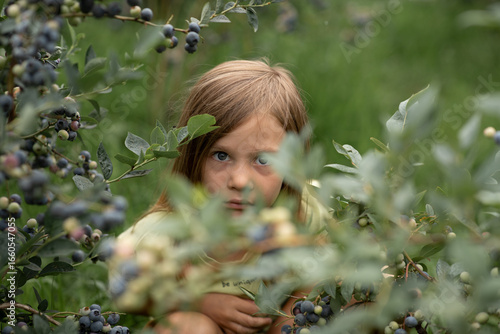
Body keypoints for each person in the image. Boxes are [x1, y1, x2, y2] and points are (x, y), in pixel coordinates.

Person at [110, 58, 329, 334]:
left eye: (262, 160)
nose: (239, 181)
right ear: (193, 155)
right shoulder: (169, 231)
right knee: (189, 328)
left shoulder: (301, 214)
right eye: (221, 155)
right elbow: (121, 286)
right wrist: (195, 302)